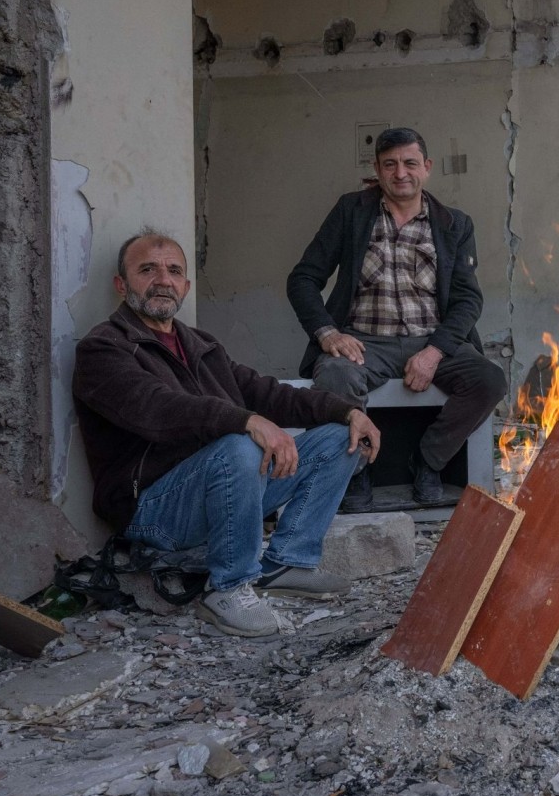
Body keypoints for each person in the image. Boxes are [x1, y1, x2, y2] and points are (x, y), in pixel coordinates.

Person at [74, 231, 381, 638]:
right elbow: (157, 408)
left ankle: (287, 561)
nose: (162, 279)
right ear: (122, 284)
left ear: (185, 286)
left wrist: (348, 411)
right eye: (147, 270)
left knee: (337, 438)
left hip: (225, 488)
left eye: (174, 271)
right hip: (154, 510)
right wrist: (248, 422)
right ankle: (230, 588)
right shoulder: (103, 348)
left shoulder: (200, 343)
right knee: (238, 445)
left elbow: (263, 391)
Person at [287, 126, 506, 510]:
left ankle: (427, 461)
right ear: (377, 168)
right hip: (365, 341)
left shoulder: (454, 223)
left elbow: (468, 299)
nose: (400, 173)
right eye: (390, 164)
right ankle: (353, 472)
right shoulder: (351, 211)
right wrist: (327, 334)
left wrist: (435, 351)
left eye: (409, 163)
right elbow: (303, 278)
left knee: (488, 379)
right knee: (336, 375)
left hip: (432, 340)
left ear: (427, 167)